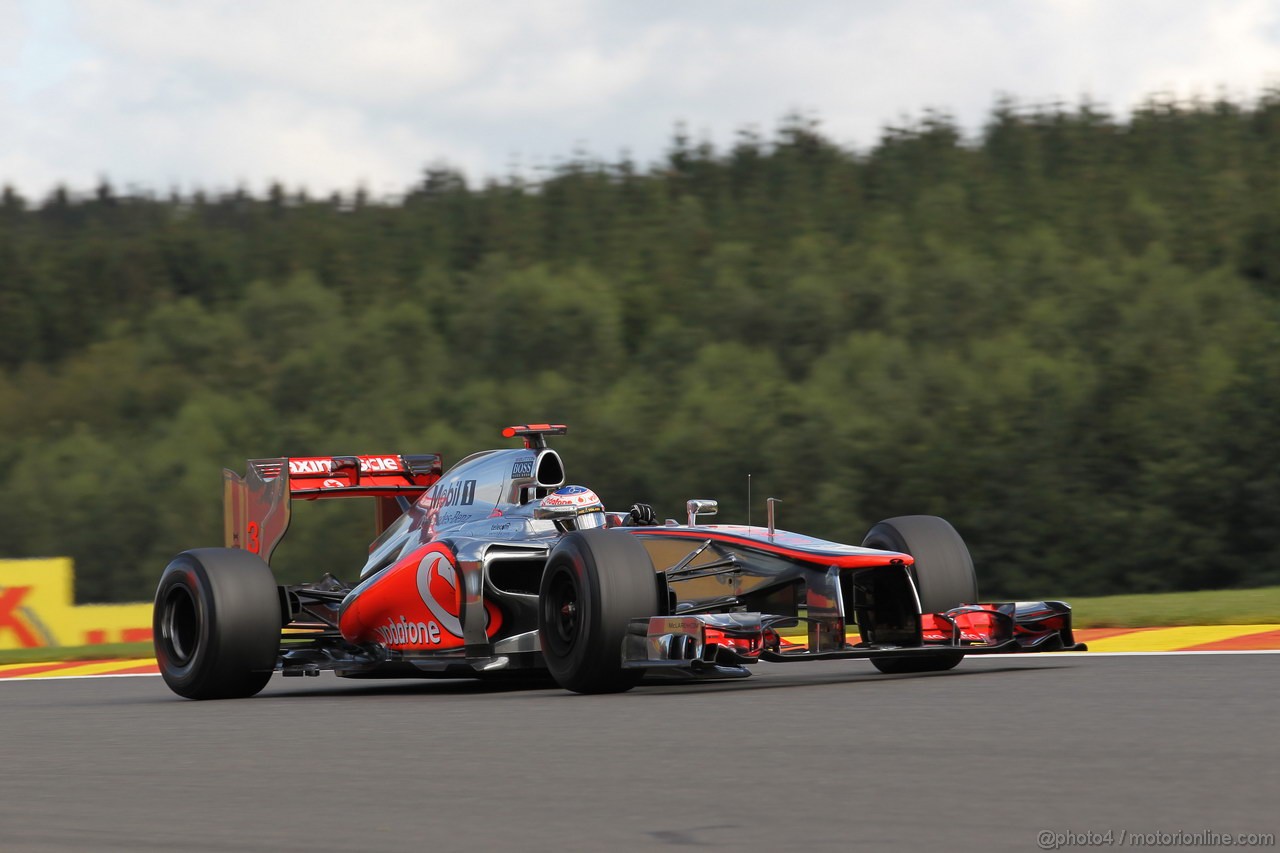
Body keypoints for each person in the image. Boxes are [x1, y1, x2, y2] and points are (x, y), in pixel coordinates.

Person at [537, 485, 658, 531]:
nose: (596, 528)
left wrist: (643, 527)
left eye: (596, 518)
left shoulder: (613, 530)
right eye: (583, 521)